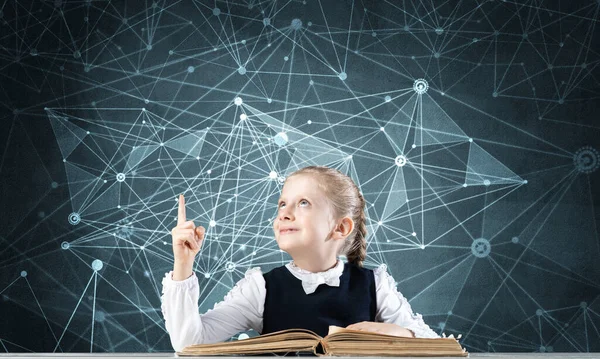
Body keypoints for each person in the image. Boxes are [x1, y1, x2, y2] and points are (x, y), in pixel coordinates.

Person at [161, 165, 440, 352]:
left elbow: (438, 348)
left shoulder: (375, 285)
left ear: (340, 227)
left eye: (303, 203)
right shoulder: (260, 288)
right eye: (282, 203)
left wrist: (396, 334)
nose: (284, 213)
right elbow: (188, 344)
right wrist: (183, 265)